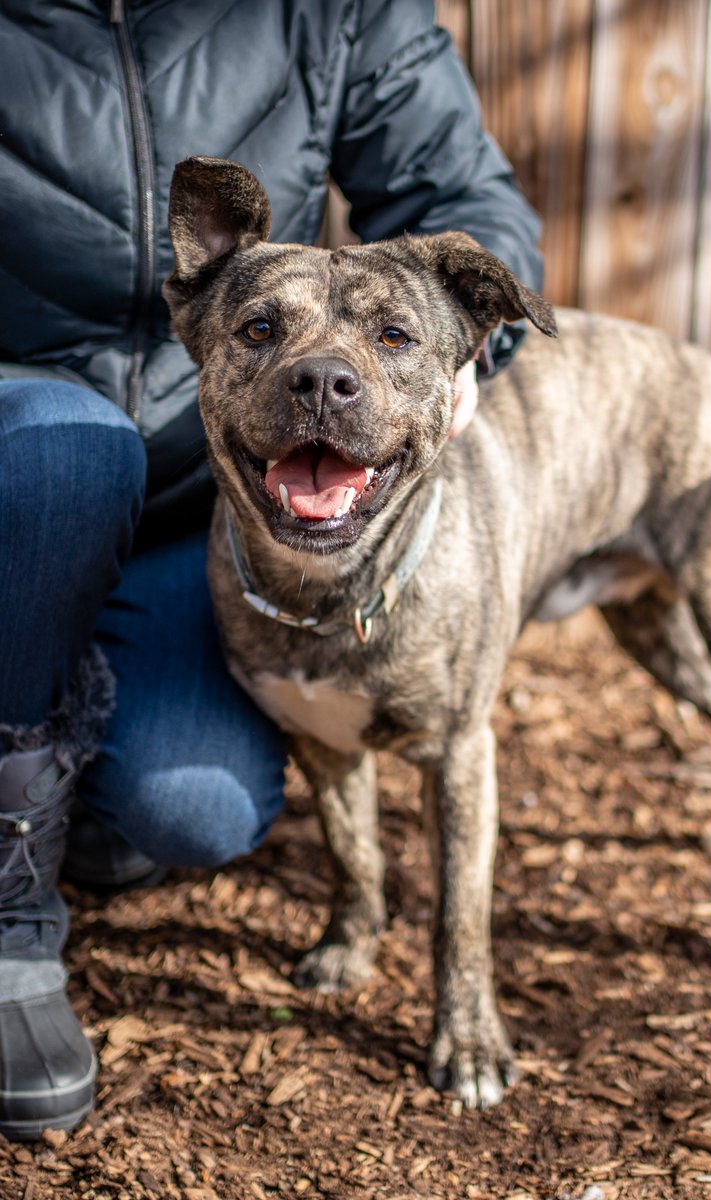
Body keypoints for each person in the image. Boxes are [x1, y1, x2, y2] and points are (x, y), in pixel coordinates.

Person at [0, 0, 543, 1140]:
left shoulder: (332, 10)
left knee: (192, 807)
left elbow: (464, 201)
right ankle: (12, 928)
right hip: (24, 474)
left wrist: (457, 354)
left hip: (212, 517)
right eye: (274, 336)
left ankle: (78, 768)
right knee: (68, 450)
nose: (324, 372)